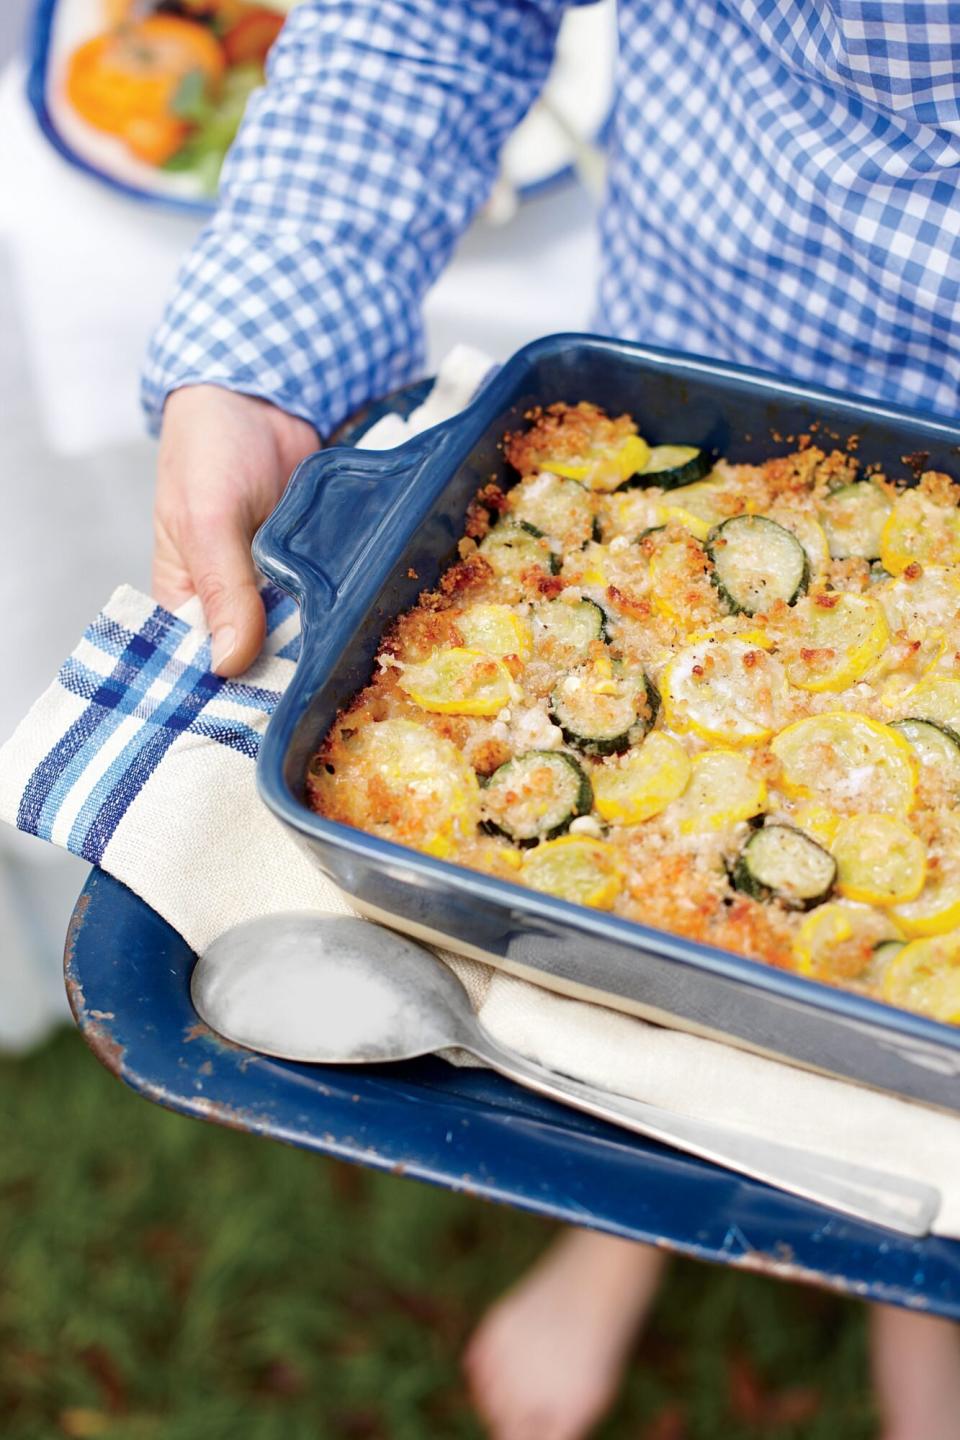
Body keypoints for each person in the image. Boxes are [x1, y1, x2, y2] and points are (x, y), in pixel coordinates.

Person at [144, 4, 960, 1436]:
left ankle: (921, 1290)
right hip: (705, 356)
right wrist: (271, 342)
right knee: (623, 958)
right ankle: (623, 1216)